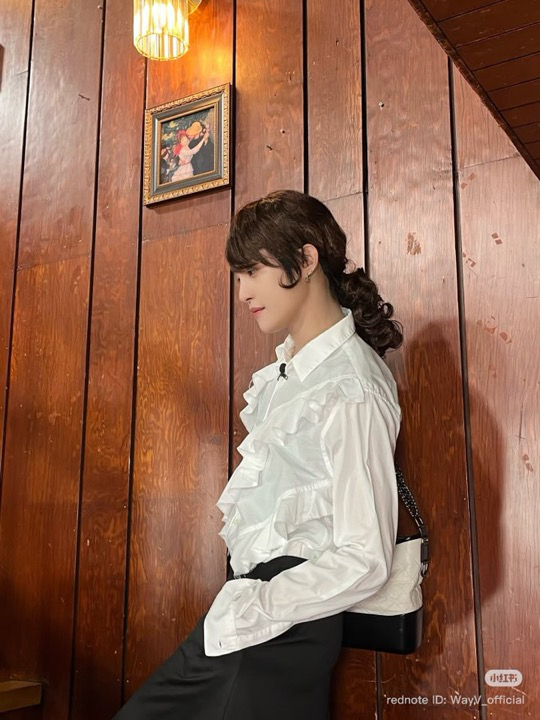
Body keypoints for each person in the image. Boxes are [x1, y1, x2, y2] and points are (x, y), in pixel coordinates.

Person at [113, 189, 403, 720]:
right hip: (252, 620)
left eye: (251, 271)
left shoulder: (351, 385)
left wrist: (257, 609)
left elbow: (367, 557)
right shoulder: (292, 374)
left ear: (306, 259)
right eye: (238, 275)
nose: (243, 291)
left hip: (277, 627)